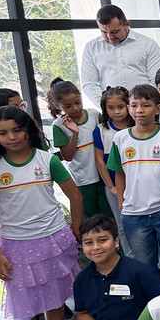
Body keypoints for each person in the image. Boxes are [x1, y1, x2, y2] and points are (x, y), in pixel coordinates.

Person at [0, 106, 82, 320]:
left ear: (28, 130)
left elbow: (75, 195)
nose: (11, 137)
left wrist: (76, 229)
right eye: (2, 133)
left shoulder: (47, 160)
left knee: (55, 300)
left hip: (53, 241)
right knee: (22, 309)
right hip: (14, 248)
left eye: (17, 130)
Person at [106, 84, 160, 281]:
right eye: (134, 105)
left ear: (158, 109)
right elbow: (119, 173)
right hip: (134, 214)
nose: (139, 110)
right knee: (145, 265)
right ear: (129, 108)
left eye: (146, 105)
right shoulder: (120, 139)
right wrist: (121, 201)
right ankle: (154, 299)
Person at [49, 77, 113, 220]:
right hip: (83, 179)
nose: (75, 108)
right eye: (68, 106)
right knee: (89, 218)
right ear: (57, 105)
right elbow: (68, 156)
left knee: (109, 215)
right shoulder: (59, 125)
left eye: (78, 102)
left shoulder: (94, 114)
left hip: (104, 175)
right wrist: (75, 133)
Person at [81, 5, 160, 108]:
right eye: (104, 32)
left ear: (127, 24)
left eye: (114, 32)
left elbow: (157, 81)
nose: (110, 37)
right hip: (111, 112)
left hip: (143, 110)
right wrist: (108, 107)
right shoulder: (91, 48)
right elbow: (89, 83)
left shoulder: (148, 44)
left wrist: (137, 106)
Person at [93, 86, 135, 257]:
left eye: (120, 107)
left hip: (137, 184)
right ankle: (130, 257)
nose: (116, 111)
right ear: (105, 109)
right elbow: (99, 160)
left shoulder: (137, 126)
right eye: (111, 108)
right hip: (114, 187)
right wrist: (111, 186)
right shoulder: (101, 130)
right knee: (122, 223)